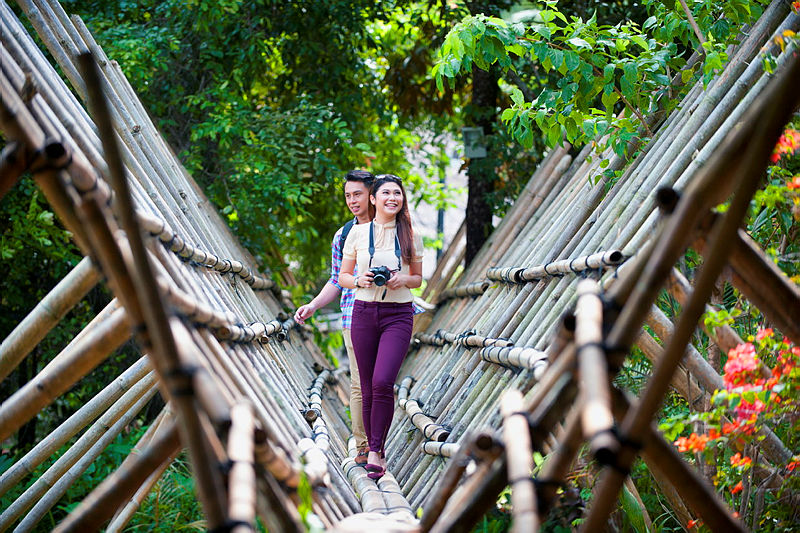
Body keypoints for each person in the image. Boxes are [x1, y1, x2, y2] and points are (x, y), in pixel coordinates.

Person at [339, 174, 423, 479]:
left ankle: (376, 450)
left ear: (402, 200)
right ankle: (371, 448)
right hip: (363, 312)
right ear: (373, 199)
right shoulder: (358, 235)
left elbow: (418, 278)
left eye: (397, 193)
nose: (392, 198)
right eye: (385, 193)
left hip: (398, 314)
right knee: (366, 385)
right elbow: (343, 277)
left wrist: (403, 279)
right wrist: (358, 280)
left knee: (383, 381)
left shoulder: (410, 235)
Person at [294, 169, 374, 464]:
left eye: (358, 194)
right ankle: (364, 446)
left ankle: (378, 442)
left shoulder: (391, 229)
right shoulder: (343, 235)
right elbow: (336, 279)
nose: (352, 201)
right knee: (359, 383)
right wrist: (313, 305)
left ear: (372, 194)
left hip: (389, 314)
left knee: (381, 381)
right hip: (354, 314)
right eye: (348, 196)